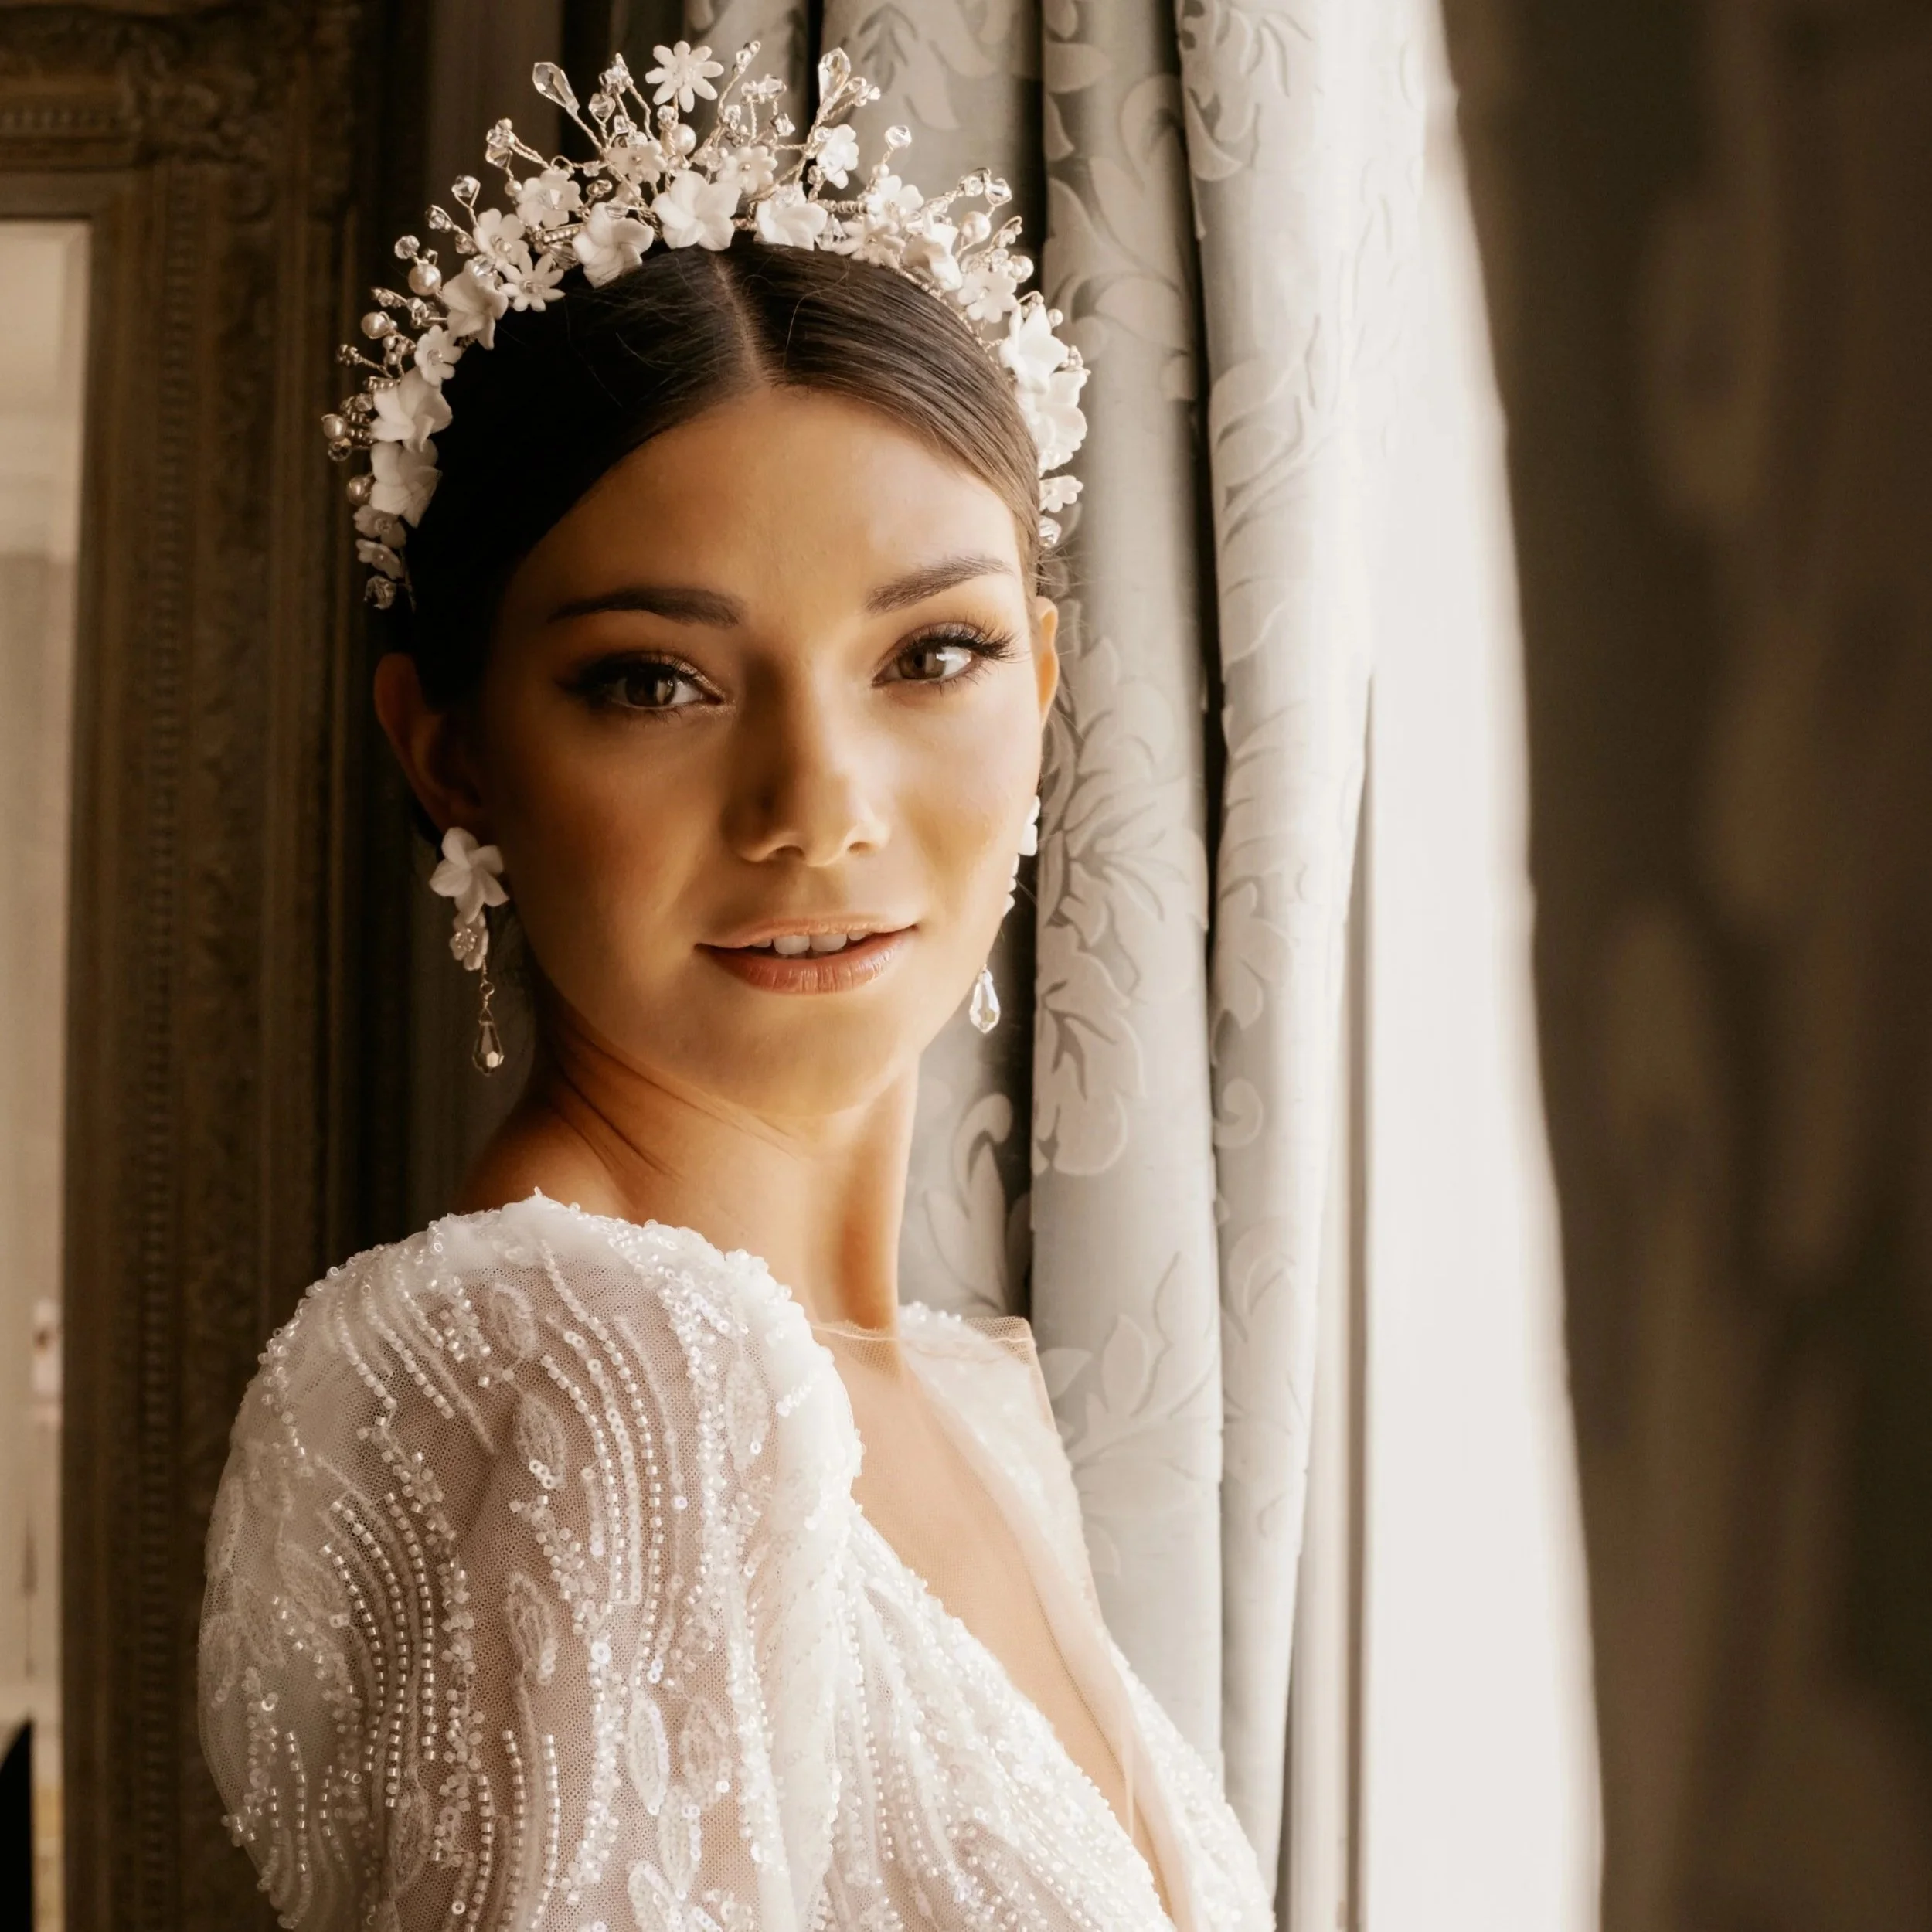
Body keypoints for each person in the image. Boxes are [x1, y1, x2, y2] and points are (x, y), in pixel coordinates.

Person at [198, 44, 1269, 1932]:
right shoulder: (607, 1368)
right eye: (653, 679)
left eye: (928, 651)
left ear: (1042, 678)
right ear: (449, 752)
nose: (814, 809)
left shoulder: (946, 1388)